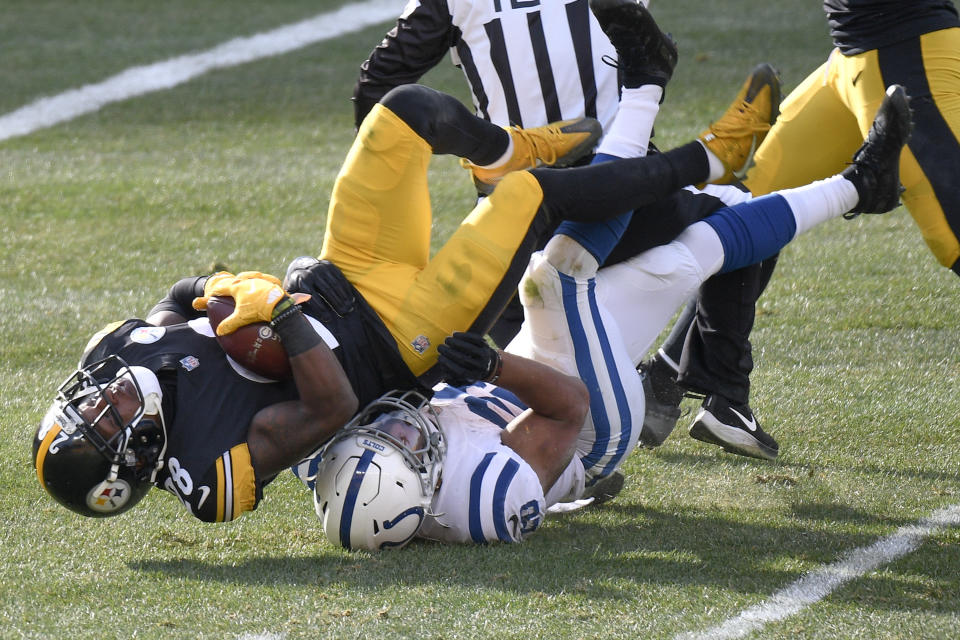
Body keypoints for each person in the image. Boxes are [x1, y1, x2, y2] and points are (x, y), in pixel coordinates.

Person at [31, 31, 772, 522]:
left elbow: (174, 301)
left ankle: (509, 145)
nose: (104, 397)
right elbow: (330, 409)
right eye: (102, 422)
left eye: (86, 405)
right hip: (402, 337)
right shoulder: (210, 471)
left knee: (402, 114)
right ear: (133, 458)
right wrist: (277, 314)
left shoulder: (116, 356)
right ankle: (712, 158)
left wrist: (215, 289)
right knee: (533, 200)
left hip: (344, 269)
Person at [304, 84, 915, 550]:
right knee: (554, 276)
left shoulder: (345, 474)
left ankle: (861, 187)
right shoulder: (477, 499)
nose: (396, 428)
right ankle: (646, 92)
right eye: (405, 445)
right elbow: (566, 405)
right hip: (592, 426)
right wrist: (492, 364)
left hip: (524, 384)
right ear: (423, 490)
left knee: (685, 256)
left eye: (383, 434)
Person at [354, 0, 785, 457]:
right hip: (616, 195)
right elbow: (645, 61)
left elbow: (377, 88)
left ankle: (636, 403)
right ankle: (714, 391)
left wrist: (482, 144)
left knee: (532, 383)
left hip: (508, 236)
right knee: (755, 213)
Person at [642, 0, 960, 461]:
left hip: (908, 53)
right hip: (850, 59)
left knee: (953, 238)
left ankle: (672, 380)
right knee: (748, 215)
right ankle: (684, 383)